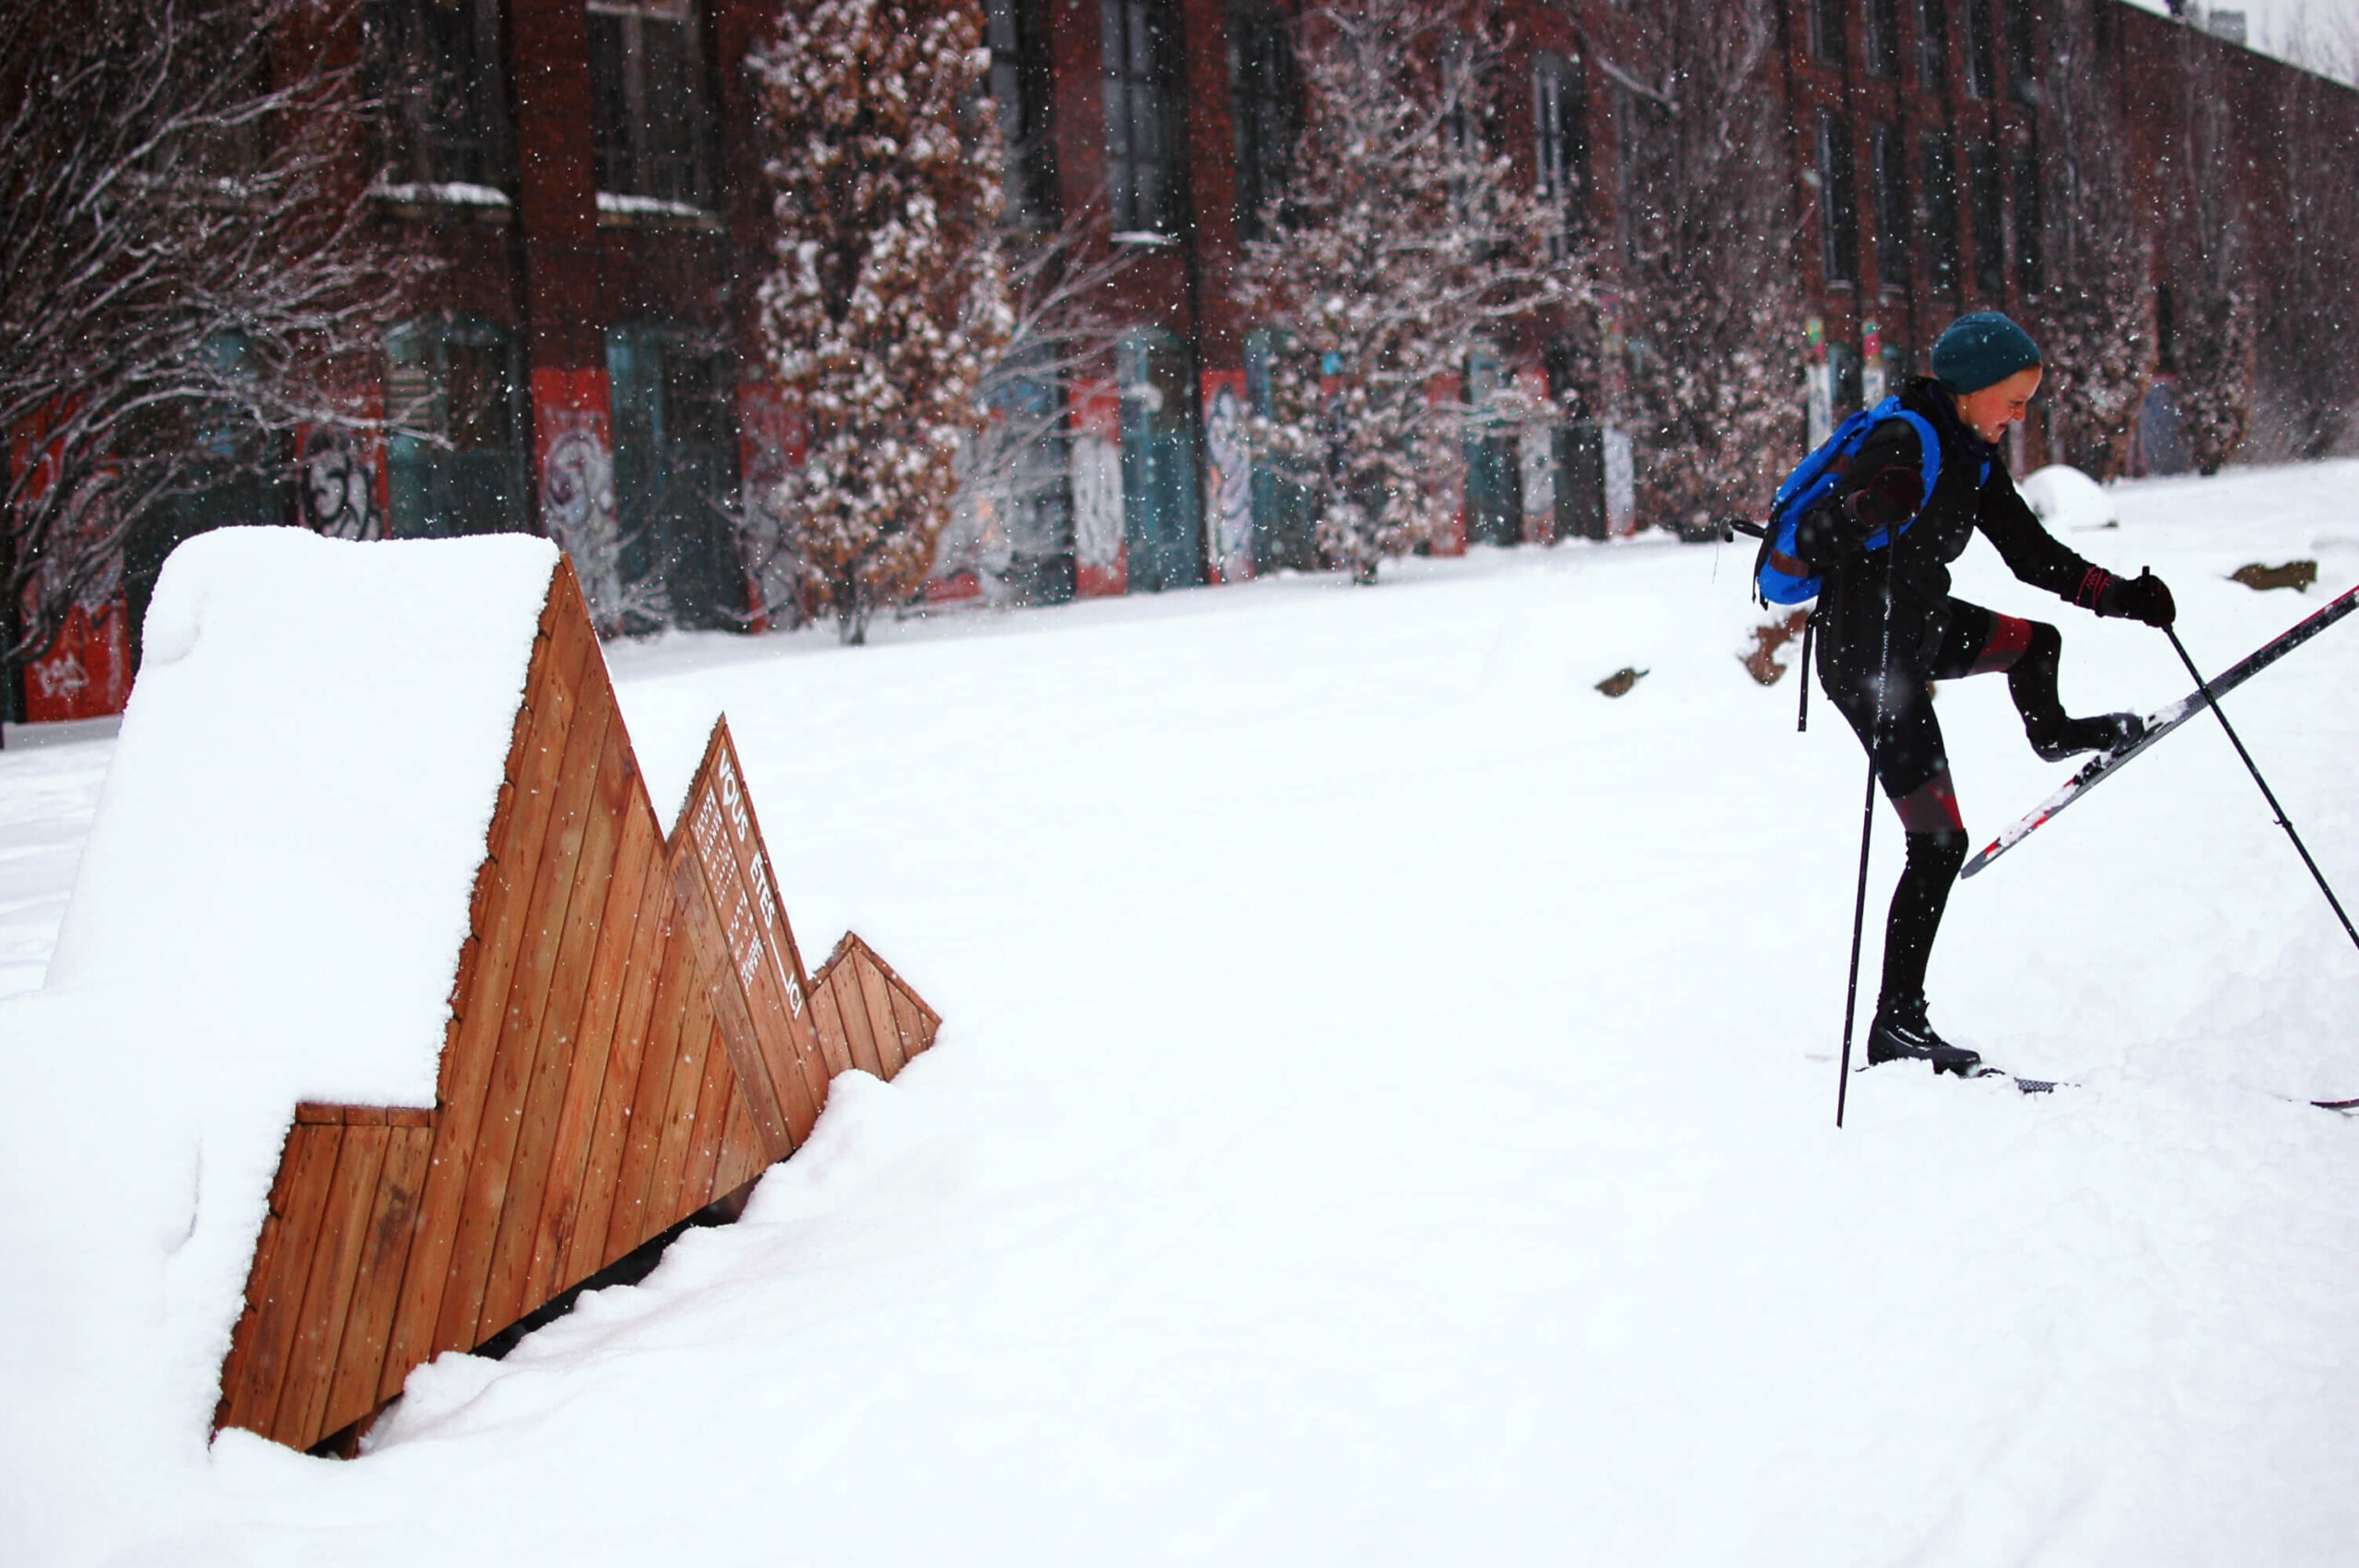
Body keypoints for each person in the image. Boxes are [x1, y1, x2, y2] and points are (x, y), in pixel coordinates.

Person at [1794, 312, 2175, 1075]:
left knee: (2037, 644)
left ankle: (2056, 732)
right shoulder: (1903, 439)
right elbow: (1812, 542)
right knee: (1938, 841)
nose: (2019, 416)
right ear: (1969, 391)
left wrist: (2121, 597)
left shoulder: (1971, 457)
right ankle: (1896, 1026)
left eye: (2027, 401)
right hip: (1868, 654)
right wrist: (1864, 508)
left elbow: (2033, 557)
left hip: (1922, 625)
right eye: (2013, 400)